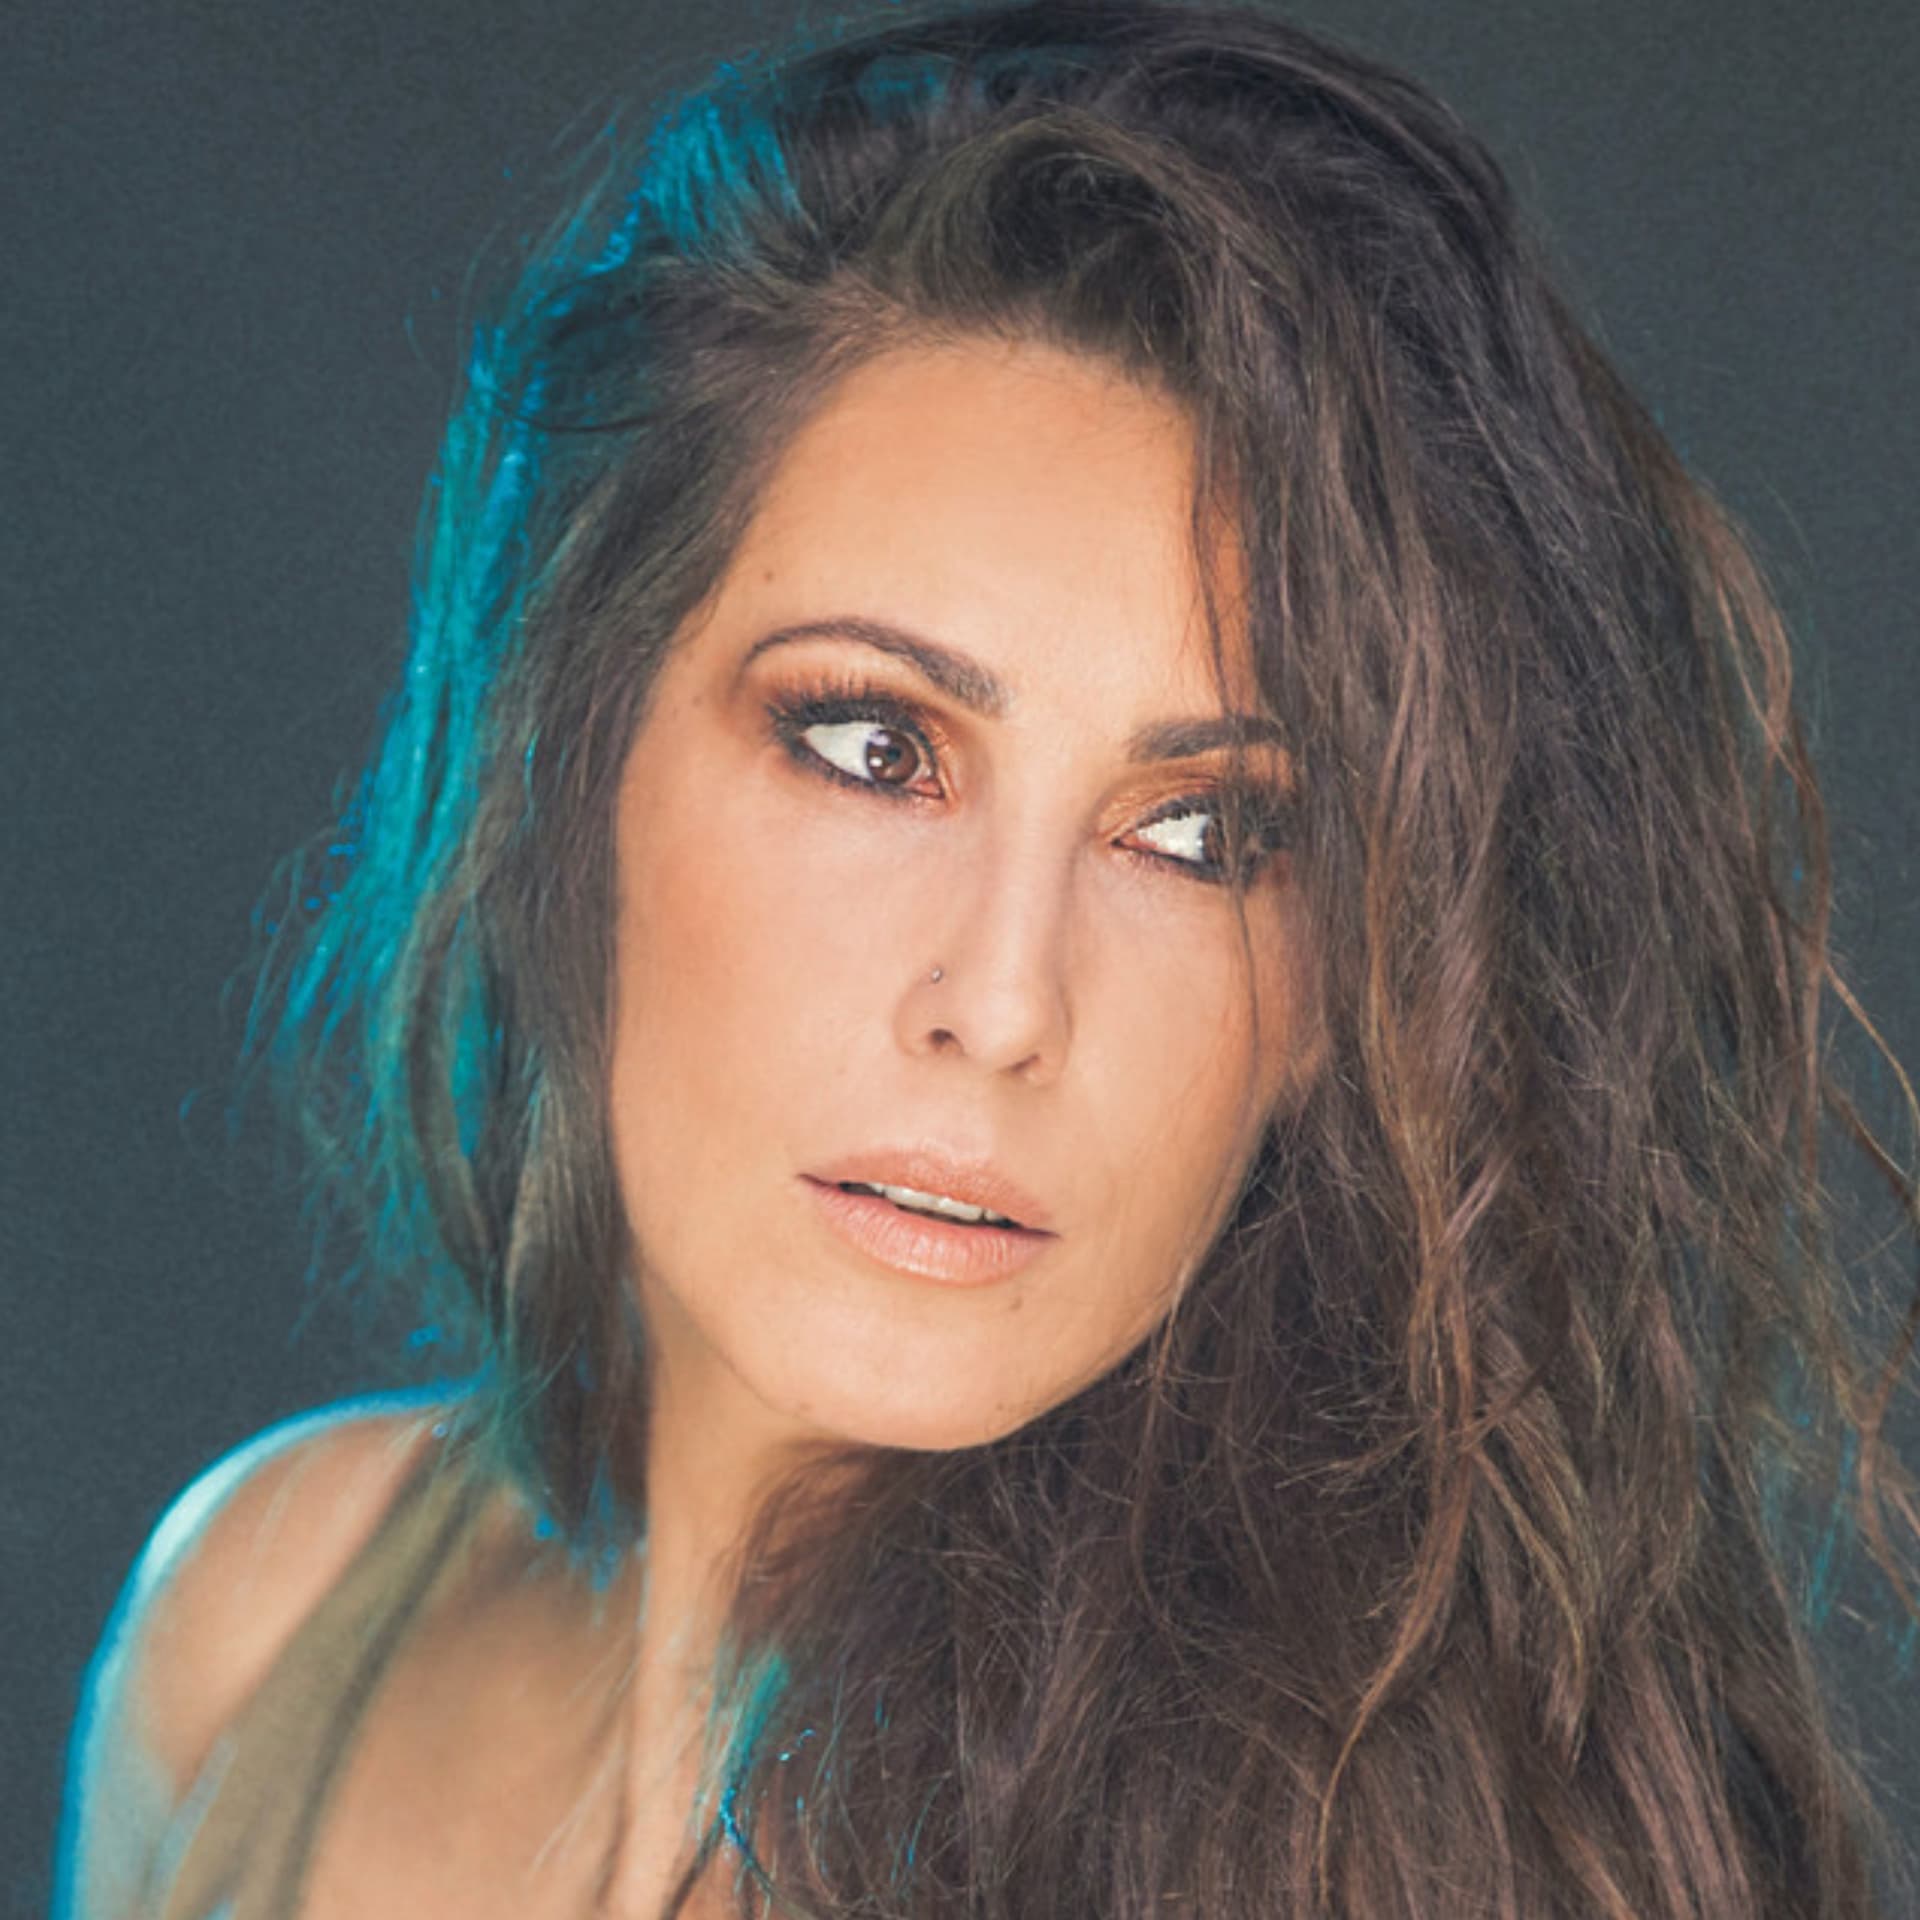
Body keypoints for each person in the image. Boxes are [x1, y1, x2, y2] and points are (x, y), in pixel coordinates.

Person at [53, 1, 1920, 1915]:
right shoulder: (265, 1620)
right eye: (876, 748)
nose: (1010, 1003)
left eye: (1205, 838)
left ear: (1344, 1002)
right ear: (570, 764)